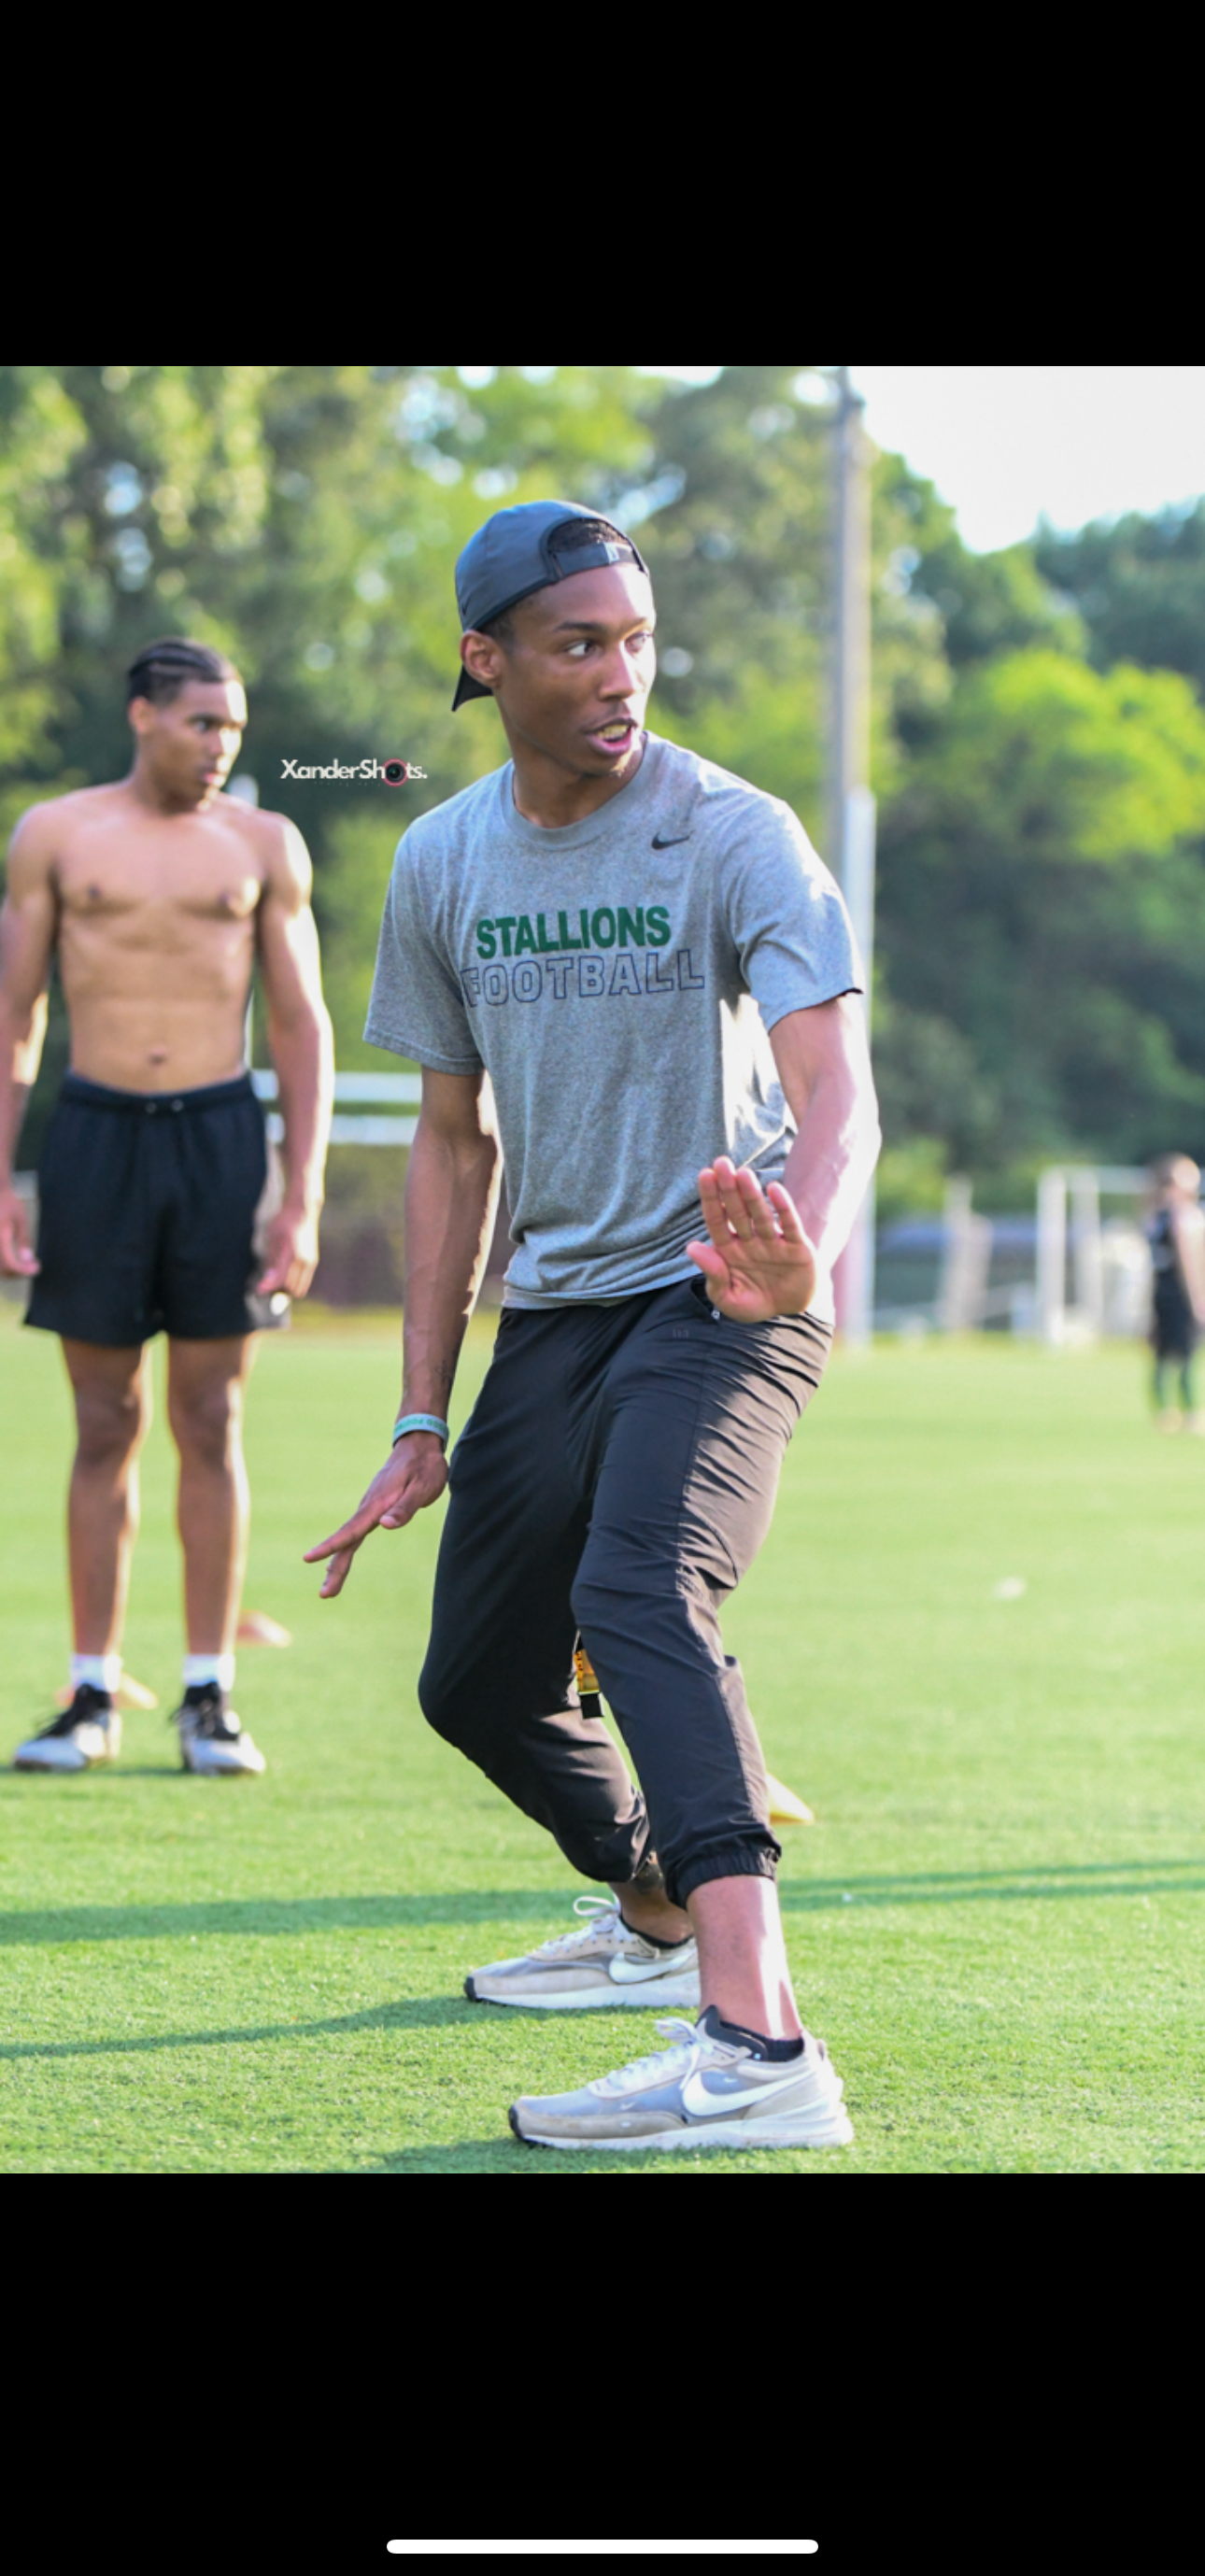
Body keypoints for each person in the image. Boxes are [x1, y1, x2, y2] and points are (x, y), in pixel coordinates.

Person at [306, 503, 880, 2153]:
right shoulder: (443, 859)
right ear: (485, 661)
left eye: (637, 640)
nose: (622, 674)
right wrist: (421, 1414)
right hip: (555, 1312)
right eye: (580, 644)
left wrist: (797, 1256)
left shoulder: (733, 830)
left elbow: (840, 1093)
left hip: (724, 1288)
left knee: (638, 1588)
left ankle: (759, 2047)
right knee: (478, 1681)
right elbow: (450, 1142)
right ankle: (655, 1908)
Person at [0, 637, 333, 1774]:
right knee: (102, 1422)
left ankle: (207, 1693)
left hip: (219, 1140)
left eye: (233, 727)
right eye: (202, 723)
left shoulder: (263, 843)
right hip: (94, 1137)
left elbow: (299, 1024)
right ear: (143, 715)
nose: (220, 745)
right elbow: (16, 1018)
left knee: (212, 1419)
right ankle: (90, 1692)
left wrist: (302, 1192)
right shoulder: (55, 834)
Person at [1144, 1154, 1205, 1432]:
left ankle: (1166, 1413)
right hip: (1179, 1296)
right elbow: (1189, 1262)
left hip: (1161, 1293)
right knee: (1185, 1355)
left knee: (1164, 1355)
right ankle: (1189, 1412)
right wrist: (1198, 1299)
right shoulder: (1184, 1216)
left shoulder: (1155, 1216)